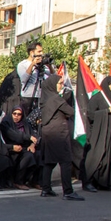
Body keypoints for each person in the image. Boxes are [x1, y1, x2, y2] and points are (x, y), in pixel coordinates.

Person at [38, 72, 84, 200]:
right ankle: (68, 191)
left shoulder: (45, 98)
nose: (61, 86)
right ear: (53, 85)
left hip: (48, 132)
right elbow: (70, 111)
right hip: (58, 133)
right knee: (66, 162)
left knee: (49, 162)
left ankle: (46, 189)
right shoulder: (56, 99)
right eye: (59, 83)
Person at [83, 76, 111, 191]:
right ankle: (89, 182)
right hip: (99, 132)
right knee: (96, 156)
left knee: (110, 156)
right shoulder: (98, 97)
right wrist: (107, 111)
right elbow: (90, 114)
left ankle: (106, 182)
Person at [0, 106, 38, 190]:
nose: (16, 116)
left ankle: (35, 181)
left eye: (19, 114)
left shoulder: (25, 123)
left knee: (38, 155)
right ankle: (18, 181)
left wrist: (32, 145)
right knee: (27, 156)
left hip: (25, 147)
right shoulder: (6, 123)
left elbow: (34, 135)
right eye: (14, 114)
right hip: (11, 148)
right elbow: (14, 136)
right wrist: (28, 137)